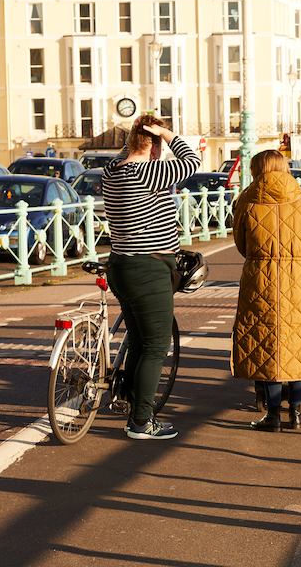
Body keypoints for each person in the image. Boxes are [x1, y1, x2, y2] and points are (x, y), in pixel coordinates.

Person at [103, 114, 200, 439]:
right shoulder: (149, 171)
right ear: (155, 145)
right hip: (149, 268)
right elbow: (192, 160)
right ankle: (142, 422)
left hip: (120, 265)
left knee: (139, 340)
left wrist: (141, 135)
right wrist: (167, 133)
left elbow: (126, 154)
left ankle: (133, 402)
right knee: (157, 345)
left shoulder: (112, 171)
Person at [231, 150, 301, 432]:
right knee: (299, 342)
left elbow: (241, 244)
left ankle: (272, 415)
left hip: (259, 279)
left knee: (265, 341)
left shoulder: (247, 201)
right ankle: (296, 411)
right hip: (300, 280)